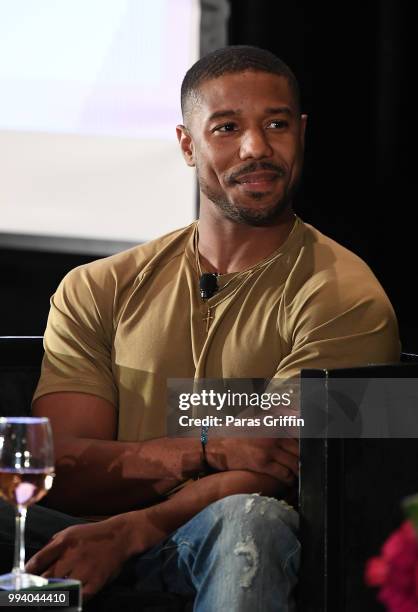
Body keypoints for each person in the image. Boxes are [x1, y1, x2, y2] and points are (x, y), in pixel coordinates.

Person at [1, 46, 399, 610]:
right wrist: (204, 449)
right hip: (71, 535)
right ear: (188, 145)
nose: (256, 148)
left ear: (301, 133)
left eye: (277, 125)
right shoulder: (96, 286)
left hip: (222, 543)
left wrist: (135, 528)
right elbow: (59, 468)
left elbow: (277, 469)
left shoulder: (347, 295)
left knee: (249, 520)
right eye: (227, 128)